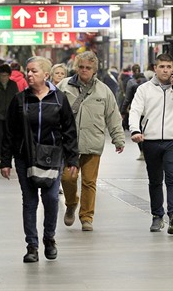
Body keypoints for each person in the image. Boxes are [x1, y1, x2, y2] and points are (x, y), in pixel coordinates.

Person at [0, 56, 79, 263]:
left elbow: (69, 130)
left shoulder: (59, 98)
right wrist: (5, 161)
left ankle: (49, 238)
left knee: (51, 198)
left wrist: (72, 160)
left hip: (53, 156)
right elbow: (9, 132)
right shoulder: (20, 99)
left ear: (46, 74)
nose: (29, 74)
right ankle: (32, 246)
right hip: (26, 156)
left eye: (34, 71)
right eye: (28, 70)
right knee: (30, 201)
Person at [57, 51, 125, 231]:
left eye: (88, 68)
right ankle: (71, 203)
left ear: (94, 70)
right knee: (67, 178)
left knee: (89, 182)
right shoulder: (64, 86)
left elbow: (113, 115)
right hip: (69, 144)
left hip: (92, 142)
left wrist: (118, 138)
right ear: (76, 67)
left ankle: (87, 217)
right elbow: (52, 111)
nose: (84, 70)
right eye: (81, 67)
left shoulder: (103, 91)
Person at [128, 54, 173, 234]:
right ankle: (157, 216)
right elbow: (135, 111)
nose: (165, 70)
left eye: (168, 67)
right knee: (155, 181)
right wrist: (135, 130)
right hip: (151, 141)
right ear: (155, 68)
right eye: (162, 67)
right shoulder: (144, 89)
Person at [120, 64, 148, 161]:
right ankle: (149, 151)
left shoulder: (131, 82)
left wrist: (123, 111)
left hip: (136, 109)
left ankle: (142, 152)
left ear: (132, 71)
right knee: (147, 130)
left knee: (138, 130)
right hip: (148, 109)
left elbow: (127, 98)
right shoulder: (147, 81)